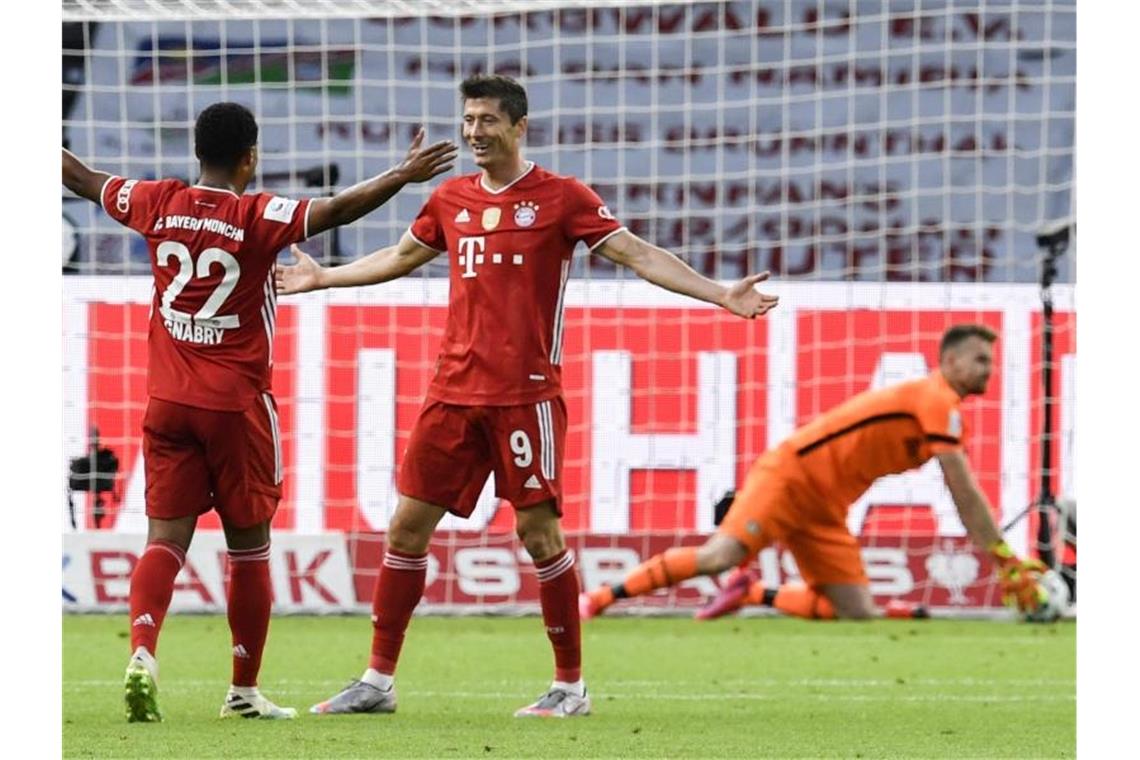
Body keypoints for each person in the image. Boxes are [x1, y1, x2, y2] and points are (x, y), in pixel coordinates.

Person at [275, 74, 779, 718]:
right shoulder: (449, 198)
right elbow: (400, 256)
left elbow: (637, 254)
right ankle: (377, 680)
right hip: (451, 393)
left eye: (487, 121)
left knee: (539, 535)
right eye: (468, 120)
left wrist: (719, 293)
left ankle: (570, 686)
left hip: (524, 396)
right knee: (405, 528)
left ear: (518, 127)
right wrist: (325, 278)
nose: (473, 132)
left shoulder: (562, 198)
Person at [61, 102, 457, 722]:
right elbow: (332, 211)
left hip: (166, 403)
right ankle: (242, 691)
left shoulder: (154, 200)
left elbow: (80, 177)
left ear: (198, 153)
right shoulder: (257, 214)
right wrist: (400, 177)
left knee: (165, 540)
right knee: (249, 548)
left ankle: (142, 650)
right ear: (251, 157)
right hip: (237, 407)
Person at [580, 324, 1048, 623]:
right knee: (719, 556)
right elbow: (963, 492)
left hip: (827, 507)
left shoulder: (951, 416)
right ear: (950, 362)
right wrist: (1004, 557)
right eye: (980, 359)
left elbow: (962, 491)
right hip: (791, 477)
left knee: (857, 614)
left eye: (992, 360)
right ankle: (598, 599)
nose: (989, 369)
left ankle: (753, 592)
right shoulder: (934, 398)